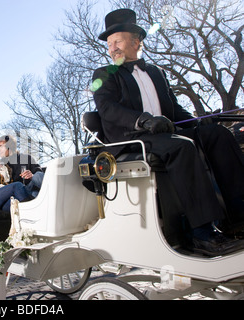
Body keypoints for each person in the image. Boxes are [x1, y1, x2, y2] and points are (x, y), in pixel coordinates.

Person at [91, 8, 244, 256]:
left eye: (117, 41)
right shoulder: (104, 74)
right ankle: (202, 233)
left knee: (218, 135)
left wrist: (199, 123)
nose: (112, 49)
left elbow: (174, 111)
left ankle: (238, 217)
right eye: (109, 44)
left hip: (163, 133)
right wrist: (143, 121)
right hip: (132, 140)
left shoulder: (157, 73)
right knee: (182, 147)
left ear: (136, 41)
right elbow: (108, 109)